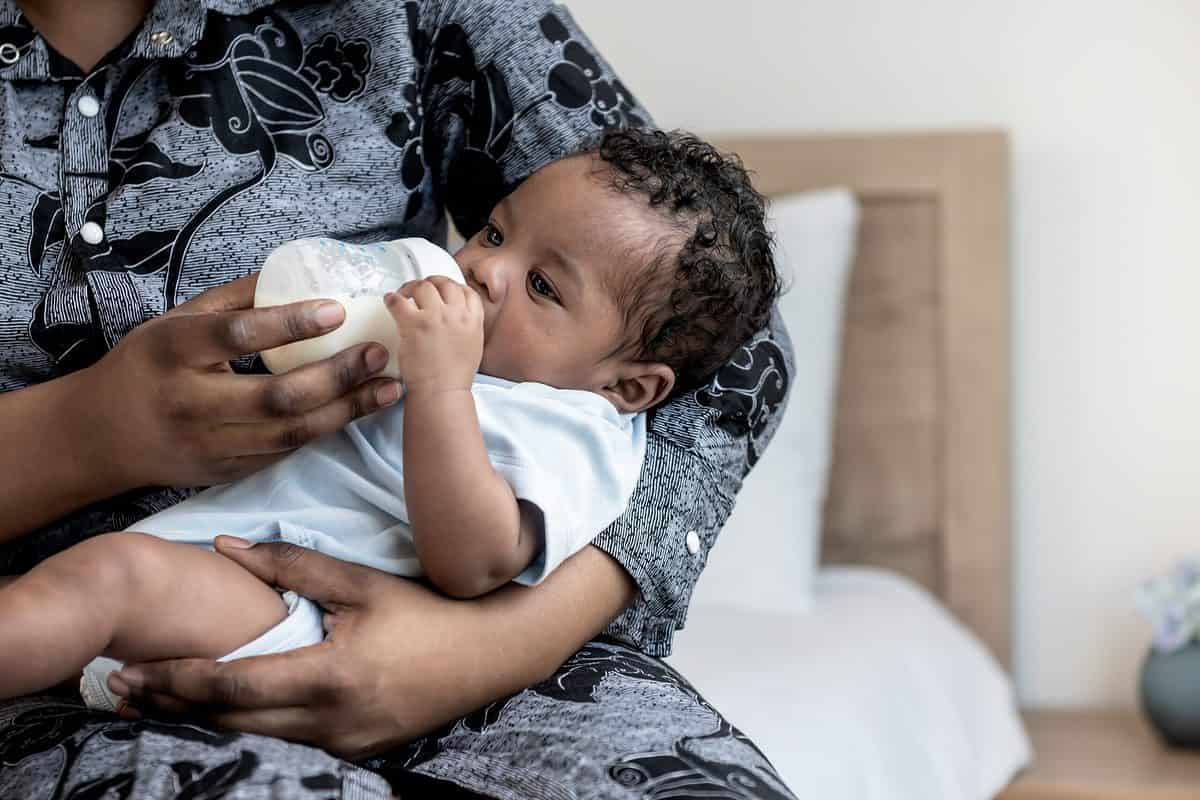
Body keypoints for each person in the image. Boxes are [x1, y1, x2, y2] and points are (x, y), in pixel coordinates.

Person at [0, 1, 797, 798]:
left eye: (544, 285)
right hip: (235, 594)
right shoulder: (482, 364)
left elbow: (477, 558)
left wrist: (482, 652)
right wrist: (87, 430)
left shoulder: (570, 429)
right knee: (116, 589)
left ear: (629, 386)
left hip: (321, 621)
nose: (484, 270)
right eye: (490, 232)